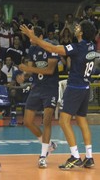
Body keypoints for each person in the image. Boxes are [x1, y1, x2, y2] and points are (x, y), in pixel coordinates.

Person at [20, 20, 96, 170]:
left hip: (75, 88)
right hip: (86, 87)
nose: (76, 27)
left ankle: (75, 157)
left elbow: (52, 47)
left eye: (78, 27)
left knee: (63, 121)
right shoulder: (91, 46)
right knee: (82, 121)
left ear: (81, 32)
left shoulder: (77, 47)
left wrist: (34, 38)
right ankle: (89, 157)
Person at [18, 27, 59, 168]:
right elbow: (30, 69)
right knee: (27, 121)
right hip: (36, 87)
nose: (30, 38)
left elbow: (49, 70)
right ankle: (49, 144)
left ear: (40, 36)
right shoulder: (32, 49)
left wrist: (29, 69)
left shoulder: (51, 47)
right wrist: (23, 75)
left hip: (50, 89)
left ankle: (43, 156)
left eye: (32, 35)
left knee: (46, 121)